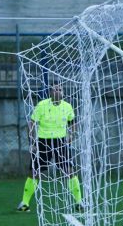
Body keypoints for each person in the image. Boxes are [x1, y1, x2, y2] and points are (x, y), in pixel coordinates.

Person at [16, 83, 83, 212]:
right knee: (34, 172)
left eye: (60, 89)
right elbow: (31, 123)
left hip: (60, 143)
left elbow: (72, 122)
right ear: (51, 93)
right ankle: (24, 203)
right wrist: (33, 142)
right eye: (55, 89)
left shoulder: (67, 106)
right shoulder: (42, 105)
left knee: (70, 170)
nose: (59, 91)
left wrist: (72, 136)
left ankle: (79, 202)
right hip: (43, 142)